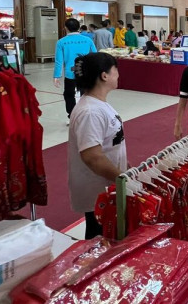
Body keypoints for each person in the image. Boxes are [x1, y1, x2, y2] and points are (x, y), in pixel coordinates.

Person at [67, 52, 127, 239]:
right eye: (115, 69)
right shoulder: (90, 112)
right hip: (98, 193)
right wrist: (123, 179)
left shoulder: (98, 105)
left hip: (107, 187)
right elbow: (92, 157)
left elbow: (111, 143)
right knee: (100, 240)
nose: (118, 74)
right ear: (104, 75)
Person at [54, 17, 97, 120]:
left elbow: (59, 61)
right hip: (85, 72)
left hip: (70, 73)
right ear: (78, 27)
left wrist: (56, 75)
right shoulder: (87, 40)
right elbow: (95, 55)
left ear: (65, 28)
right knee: (86, 94)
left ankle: (72, 116)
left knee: (69, 94)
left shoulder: (61, 42)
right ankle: (87, 115)